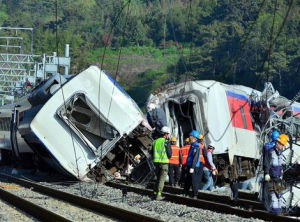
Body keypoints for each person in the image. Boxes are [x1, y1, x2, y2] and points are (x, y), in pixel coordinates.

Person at [263, 133, 288, 214]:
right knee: (269, 195)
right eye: (281, 144)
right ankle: (268, 212)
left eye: (282, 145)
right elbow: (266, 162)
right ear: (278, 143)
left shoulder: (280, 153)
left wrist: (281, 171)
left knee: (278, 196)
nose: (282, 146)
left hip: (277, 178)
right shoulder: (270, 151)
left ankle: (276, 211)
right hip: (270, 177)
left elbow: (280, 164)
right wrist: (266, 173)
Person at [184, 130, 205, 199]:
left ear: (194, 138)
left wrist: (192, 167)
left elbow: (195, 157)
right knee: (188, 180)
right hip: (190, 165)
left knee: (194, 181)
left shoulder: (196, 146)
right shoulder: (192, 145)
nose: (189, 137)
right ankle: (186, 192)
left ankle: (195, 195)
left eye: (190, 136)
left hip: (194, 166)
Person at [153, 126, 172, 200]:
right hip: (164, 163)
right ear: (166, 134)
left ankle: (154, 193)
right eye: (168, 134)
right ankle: (158, 195)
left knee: (157, 178)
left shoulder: (155, 141)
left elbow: (152, 152)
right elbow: (169, 154)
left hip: (156, 163)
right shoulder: (166, 142)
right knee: (162, 179)